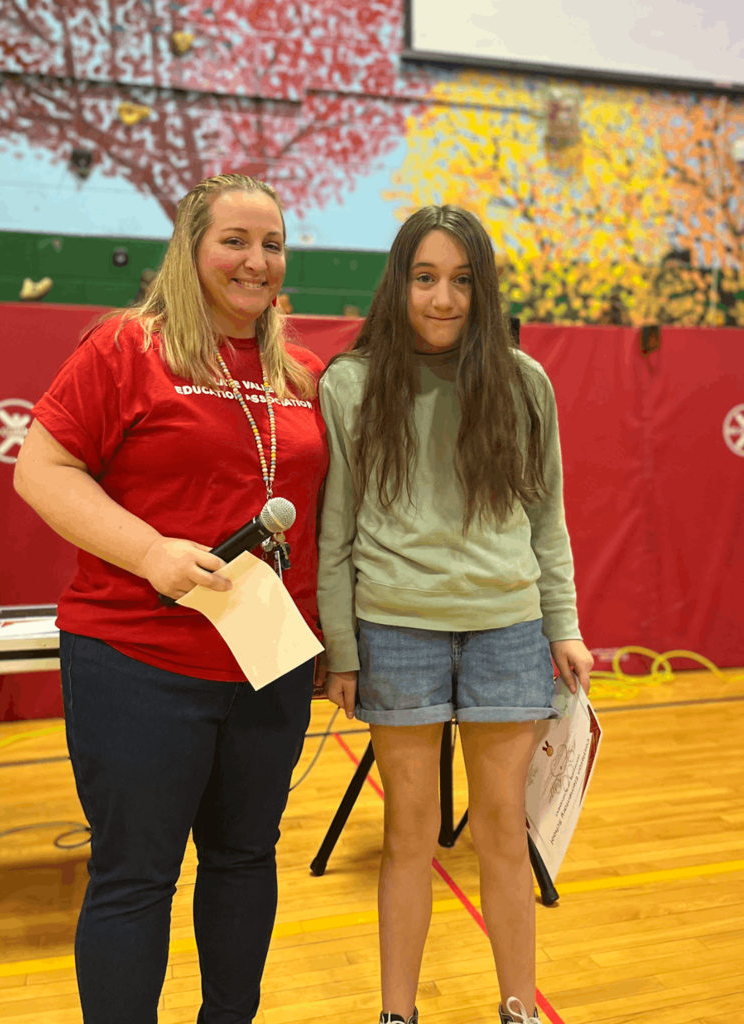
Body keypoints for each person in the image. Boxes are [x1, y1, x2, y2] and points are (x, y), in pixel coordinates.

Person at [14, 173, 329, 1024]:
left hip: (268, 667)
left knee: (243, 858)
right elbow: (39, 469)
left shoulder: (299, 376)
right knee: (136, 875)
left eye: (271, 244)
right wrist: (150, 551)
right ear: (190, 248)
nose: (255, 261)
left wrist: (331, 645)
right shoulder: (126, 348)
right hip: (137, 658)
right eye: (234, 240)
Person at [317, 205, 593, 1024]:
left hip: (505, 630)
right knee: (410, 832)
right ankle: (395, 1013)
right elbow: (335, 528)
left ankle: (517, 1008)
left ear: (483, 289)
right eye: (425, 278)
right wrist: (341, 647)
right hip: (392, 632)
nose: (443, 299)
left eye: (462, 282)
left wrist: (562, 624)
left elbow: (546, 518)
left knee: (502, 832)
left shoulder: (522, 380)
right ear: (398, 282)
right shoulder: (350, 382)